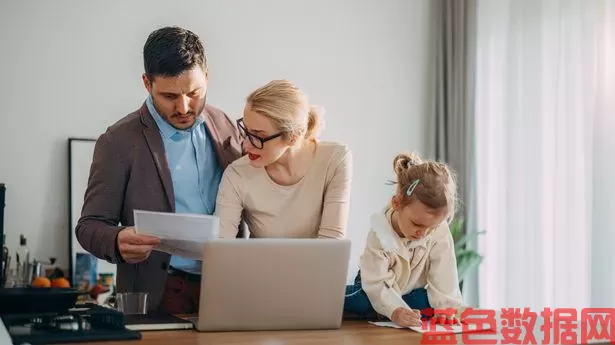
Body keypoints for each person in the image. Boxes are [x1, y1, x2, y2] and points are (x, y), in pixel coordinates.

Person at [75, 26, 243, 314]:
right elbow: (89, 226)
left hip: (229, 286)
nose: (184, 107)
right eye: (169, 96)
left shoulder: (225, 124)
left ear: (207, 75)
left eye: (194, 92)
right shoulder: (117, 141)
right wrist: (116, 239)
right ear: (146, 83)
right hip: (158, 293)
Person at [215, 79, 352, 239]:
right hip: (257, 265)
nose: (245, 145)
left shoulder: (335, 159)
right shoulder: (236, 174)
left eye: (258, 136)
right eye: (246, 131)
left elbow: (331, 245)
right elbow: (222, 247)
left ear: (293, 137)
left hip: (318, 264)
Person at [343, 152, 465, 327]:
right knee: (362, 301)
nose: (423, 233)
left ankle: (385, 311)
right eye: (417, 224)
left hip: (409, 290)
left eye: (431, 227)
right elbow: (376, 283)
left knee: (427, 301)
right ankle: (341, 301)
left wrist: (446, 308)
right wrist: (395, 311)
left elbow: (444, 272)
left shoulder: (438, 230)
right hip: (374, 284)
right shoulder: (379, 232)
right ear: (397, 203)